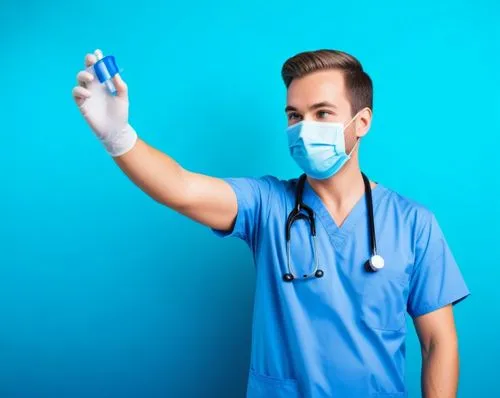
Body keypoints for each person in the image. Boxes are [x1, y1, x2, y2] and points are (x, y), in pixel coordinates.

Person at [72, 48, 470, 398]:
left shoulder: (414, 223)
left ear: (362, 122)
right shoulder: (267, 204)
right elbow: (181, 188)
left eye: (322, 113)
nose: (303, 127)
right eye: (294, 115)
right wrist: (118, 136)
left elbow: (438, 343)